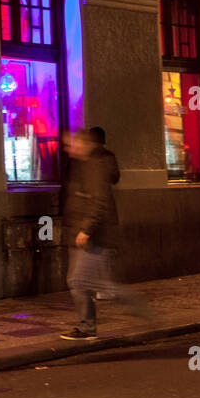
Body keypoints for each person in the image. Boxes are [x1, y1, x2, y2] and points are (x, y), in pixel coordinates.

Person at [60, 127, 139, 340]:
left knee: (80, 281)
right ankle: (88, 327)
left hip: (92, 234)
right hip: (80, 231)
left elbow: (98, 200)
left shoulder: (95, 165)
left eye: (69, 144)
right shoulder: (81, 164)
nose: (67, 149)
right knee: (87, 282)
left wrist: (86, 229)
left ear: (84, 143)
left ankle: (132, 307)